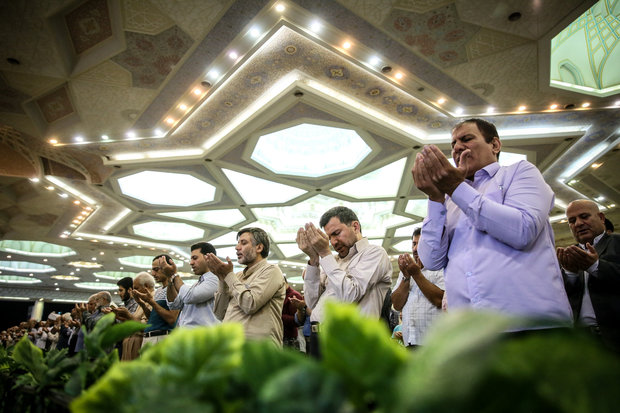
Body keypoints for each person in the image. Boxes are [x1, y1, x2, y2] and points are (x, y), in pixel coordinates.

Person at [412, 118, 572, 330]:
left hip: (531, 325)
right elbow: (431, 260)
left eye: (466, 139)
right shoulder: (449, 200)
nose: (458, 147)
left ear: (495, 145)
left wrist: (456, 187)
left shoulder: (519, 173)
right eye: (453, 145)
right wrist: (435, 198)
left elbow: (522, 230)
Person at [296, 206, 392, 357]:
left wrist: (324, 253)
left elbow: (350, 295)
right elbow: (312, 303)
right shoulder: (333, 261)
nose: (333, 242)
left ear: (355, 227)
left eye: (337, 233)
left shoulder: (375, 253)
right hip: (319, 338)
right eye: (329, 238)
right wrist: (314, 260)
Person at [557, 199, 620, 351]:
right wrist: (570, 274)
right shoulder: (568, 256)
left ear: (601, 218)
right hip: (579, 343)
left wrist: (595, 266)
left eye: (584, 216)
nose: (578, 223)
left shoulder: (617, 242)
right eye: (572, 221)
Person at [208, 227, 286, 347]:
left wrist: (228, 275)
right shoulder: (237, 276)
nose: (237, 247)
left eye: (243, 243)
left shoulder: (272, 271)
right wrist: (222, 279)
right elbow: (219, 313)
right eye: (237, 243)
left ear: (259, 247)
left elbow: (250, 304)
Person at [391, 228, 444, 348]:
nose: (415, 249)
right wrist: (406, 276)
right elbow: (397, 304)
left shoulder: (440, 268)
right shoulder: (405, 271)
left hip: (433, 344)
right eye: (414, 244)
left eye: (420, 244)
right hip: (409, 342)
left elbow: (440, 300)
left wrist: (416, 274)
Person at [161, 242, 220, 328]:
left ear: (208, 258)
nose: (191, 263)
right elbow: (175, 304)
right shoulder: (197, 284)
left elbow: (190, 296)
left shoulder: (216, 279)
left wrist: (174, 275)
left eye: (195, 258)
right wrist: (170, 279)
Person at [134, 256, 179, 347]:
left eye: (156, 269)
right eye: (152, 270)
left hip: (162, 338)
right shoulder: (158, 291)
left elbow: (172, 319)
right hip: (150, 338)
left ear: (167, 267)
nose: (153, 273)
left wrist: (151, 302)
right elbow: (153, 318)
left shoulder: (175, 288)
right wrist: (142, 304)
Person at [281, 277, 303, 349]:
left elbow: (297, 321)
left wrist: (277, 316)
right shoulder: (280, 295)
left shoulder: (294, 296)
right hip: (280, 336)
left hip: (289, 338)